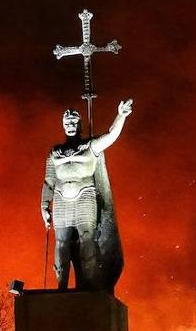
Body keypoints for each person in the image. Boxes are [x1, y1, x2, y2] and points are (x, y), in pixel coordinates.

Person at [40, 99, 133, 289]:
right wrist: (44, 205)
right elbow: (49, 180)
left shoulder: (90, 146)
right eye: (67, 123)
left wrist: (121, 116)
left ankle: (89, 286)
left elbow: (110, 136)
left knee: (86, 238)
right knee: (61, 242)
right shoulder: (55, 152)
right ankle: (61, 287)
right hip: (61, 198)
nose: (70, 126)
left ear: (80, 124)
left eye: (74, 122)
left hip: (85, 197)